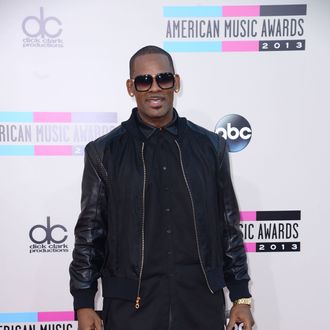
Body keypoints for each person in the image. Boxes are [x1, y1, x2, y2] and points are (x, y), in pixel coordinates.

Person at [69, 45, 254, 330]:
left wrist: (240, 296)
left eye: (163, 78)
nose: (154, 88)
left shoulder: (210, 147)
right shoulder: (103, 152)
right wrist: (83, 301)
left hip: (200, 305)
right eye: (144, 81)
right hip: (132, 307)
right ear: (131, 87)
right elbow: (90, 234)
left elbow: (227, 227)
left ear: (176, 83)